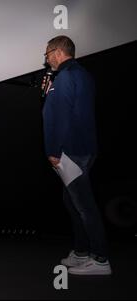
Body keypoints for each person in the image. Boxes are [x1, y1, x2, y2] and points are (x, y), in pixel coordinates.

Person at [42, 36, 111, 275]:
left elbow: (60, 117)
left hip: (70, 151)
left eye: (48, 53)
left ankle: (100, 259)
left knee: (83, 205)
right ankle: (82, 252)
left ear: (59, 52)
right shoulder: (83, 74)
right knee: (72, 201)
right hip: (83, 148)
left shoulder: (65, 77)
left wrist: (53, 150)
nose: (46, 58)